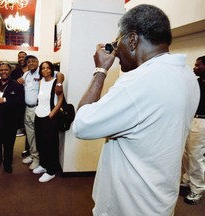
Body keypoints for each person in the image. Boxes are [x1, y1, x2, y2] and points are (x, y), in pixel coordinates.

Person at [72, 4, 199, 216]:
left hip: (128, 204)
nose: (116, 52)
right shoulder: (186, 75)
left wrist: (100, 70)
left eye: (116, 42)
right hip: (159, 199)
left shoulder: (138, 82)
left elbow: (82, 125)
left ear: (132, 39)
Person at [18, 55, 64, 170]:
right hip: (28, 109)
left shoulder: (43, 71)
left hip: (40, 109)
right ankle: (33, 155)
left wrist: (59, 84)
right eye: (28, 62)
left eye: (33, 61)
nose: (31, 63)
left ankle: (39, 160)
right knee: (30, 135)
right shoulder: (26, 74)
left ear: (38, 62)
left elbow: (60, 75)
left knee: (41, 136)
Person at [33, 61, 63, 182]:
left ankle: (51, 171)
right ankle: (43, 165)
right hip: (38, 115)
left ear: (52, 70)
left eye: (48, 68)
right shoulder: (40, 82)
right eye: (43, 68)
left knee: (50, 144)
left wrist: (52, 114)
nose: (45, 70)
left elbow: (60, 100)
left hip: (49, 117)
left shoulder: (56, 82)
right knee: (40, 143)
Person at [181, 56, 205, 205]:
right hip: (191, 119)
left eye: (198, 65)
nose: (194, 68)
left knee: (196, 155)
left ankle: (197, 190)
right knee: (185, 153)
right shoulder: (196, 83)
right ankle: (187, 180)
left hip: (202, 121)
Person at [11, 51, 30, 157]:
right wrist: (16, 83)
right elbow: (10, 87)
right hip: (17, 104)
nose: (21, 59)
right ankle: (10, 151)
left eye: (23, 57)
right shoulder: (14, 72)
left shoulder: (33, 70)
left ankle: (28, 149)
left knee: (29, 128)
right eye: (19, 57)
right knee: (14, 127)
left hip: (29, 103)